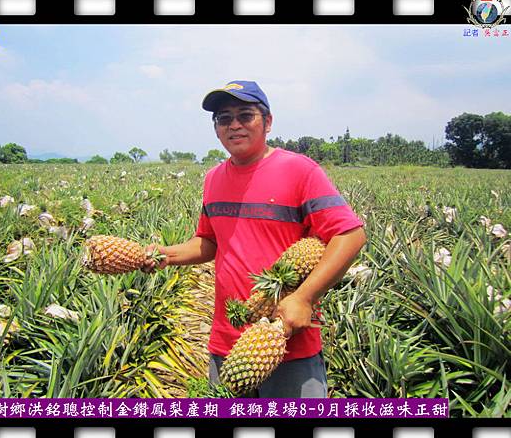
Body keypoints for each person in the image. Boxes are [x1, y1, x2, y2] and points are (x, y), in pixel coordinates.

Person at [144, 80, 366, 398]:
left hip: (286, 342)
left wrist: (303, 298)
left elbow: (350, 234)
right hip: (227, 342)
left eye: (245, 115)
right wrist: (167, 254)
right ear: (216, 129)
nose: (234, 125)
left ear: (268, 122)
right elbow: (208, 242)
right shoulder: (213, 179)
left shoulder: (299, 171)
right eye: (224, 118)